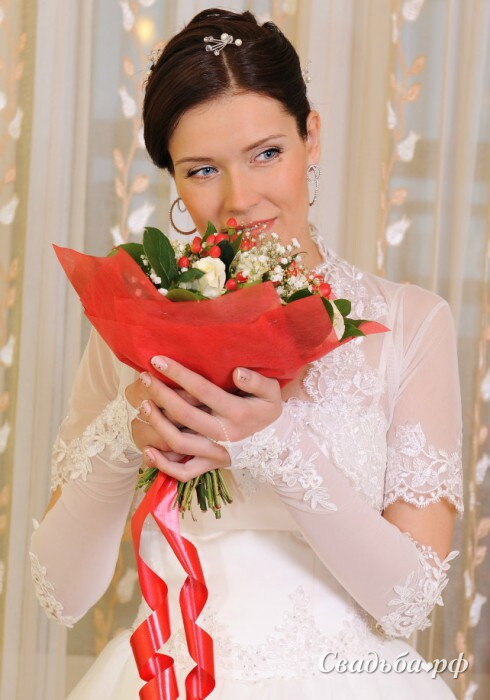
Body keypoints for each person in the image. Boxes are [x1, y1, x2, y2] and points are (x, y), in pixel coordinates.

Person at [29, 8, 464, 699]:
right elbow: (61, 593)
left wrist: (274, 445)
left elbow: (408, 603)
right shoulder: (137, 334)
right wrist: (121, 437)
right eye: (203, 169)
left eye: (267, 153)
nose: (240, 199)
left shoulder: (410, 323)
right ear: (173, 179)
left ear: (311, 137)